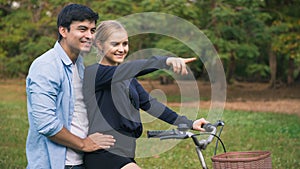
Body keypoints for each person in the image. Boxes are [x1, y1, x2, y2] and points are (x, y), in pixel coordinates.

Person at [83, 20, 208, 169]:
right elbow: (131, 68)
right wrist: (165, 61)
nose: (122, 49)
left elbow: (151, 105)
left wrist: (189, 123)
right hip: (104, 153)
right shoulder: (93, 74)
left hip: (127, 152)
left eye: (125, 44)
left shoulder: (129, 79)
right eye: (115, 44)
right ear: (99, 44)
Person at [25, 4, 115, 169]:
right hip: (60, 163)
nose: (89, 36)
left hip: (84, 160)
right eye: (82, 29)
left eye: (92, 30)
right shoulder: (46, 66)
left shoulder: (79, 64)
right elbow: (46, 123)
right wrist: (83, 144)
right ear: (63, 31)